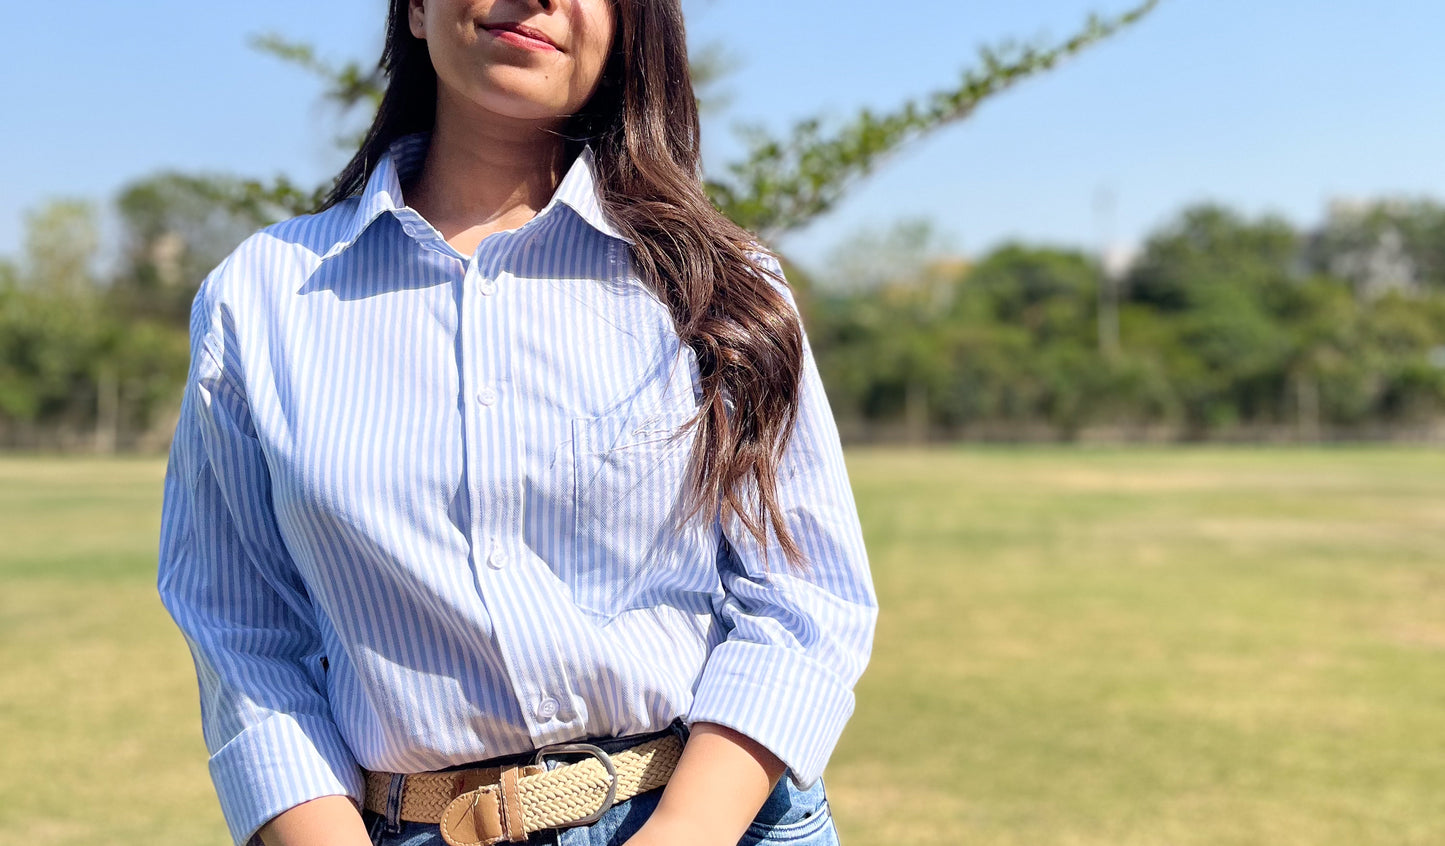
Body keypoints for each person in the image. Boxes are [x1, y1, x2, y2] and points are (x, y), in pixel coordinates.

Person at [155, 1, 877, 845]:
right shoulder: (261, 298)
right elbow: (239, 628)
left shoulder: (720, 286)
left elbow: (803, 597)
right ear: (417, 10)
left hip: (711, 820)